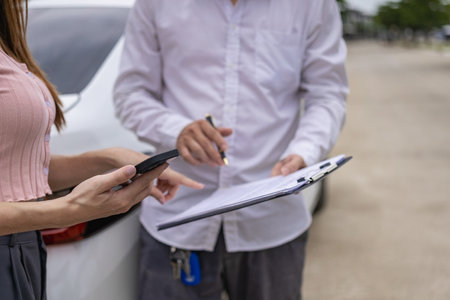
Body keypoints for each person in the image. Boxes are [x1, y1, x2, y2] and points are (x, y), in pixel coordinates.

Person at [114, 0, 348, 299]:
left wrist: (305, 150)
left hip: (272, 220)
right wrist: (177, 130)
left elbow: (328, 94)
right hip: (178, 218)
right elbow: (130, 92)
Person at [0, 1, 203, 299]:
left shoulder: (9, 43)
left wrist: (105, 159)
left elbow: (17, 170)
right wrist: (67, 210)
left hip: (25, 248)